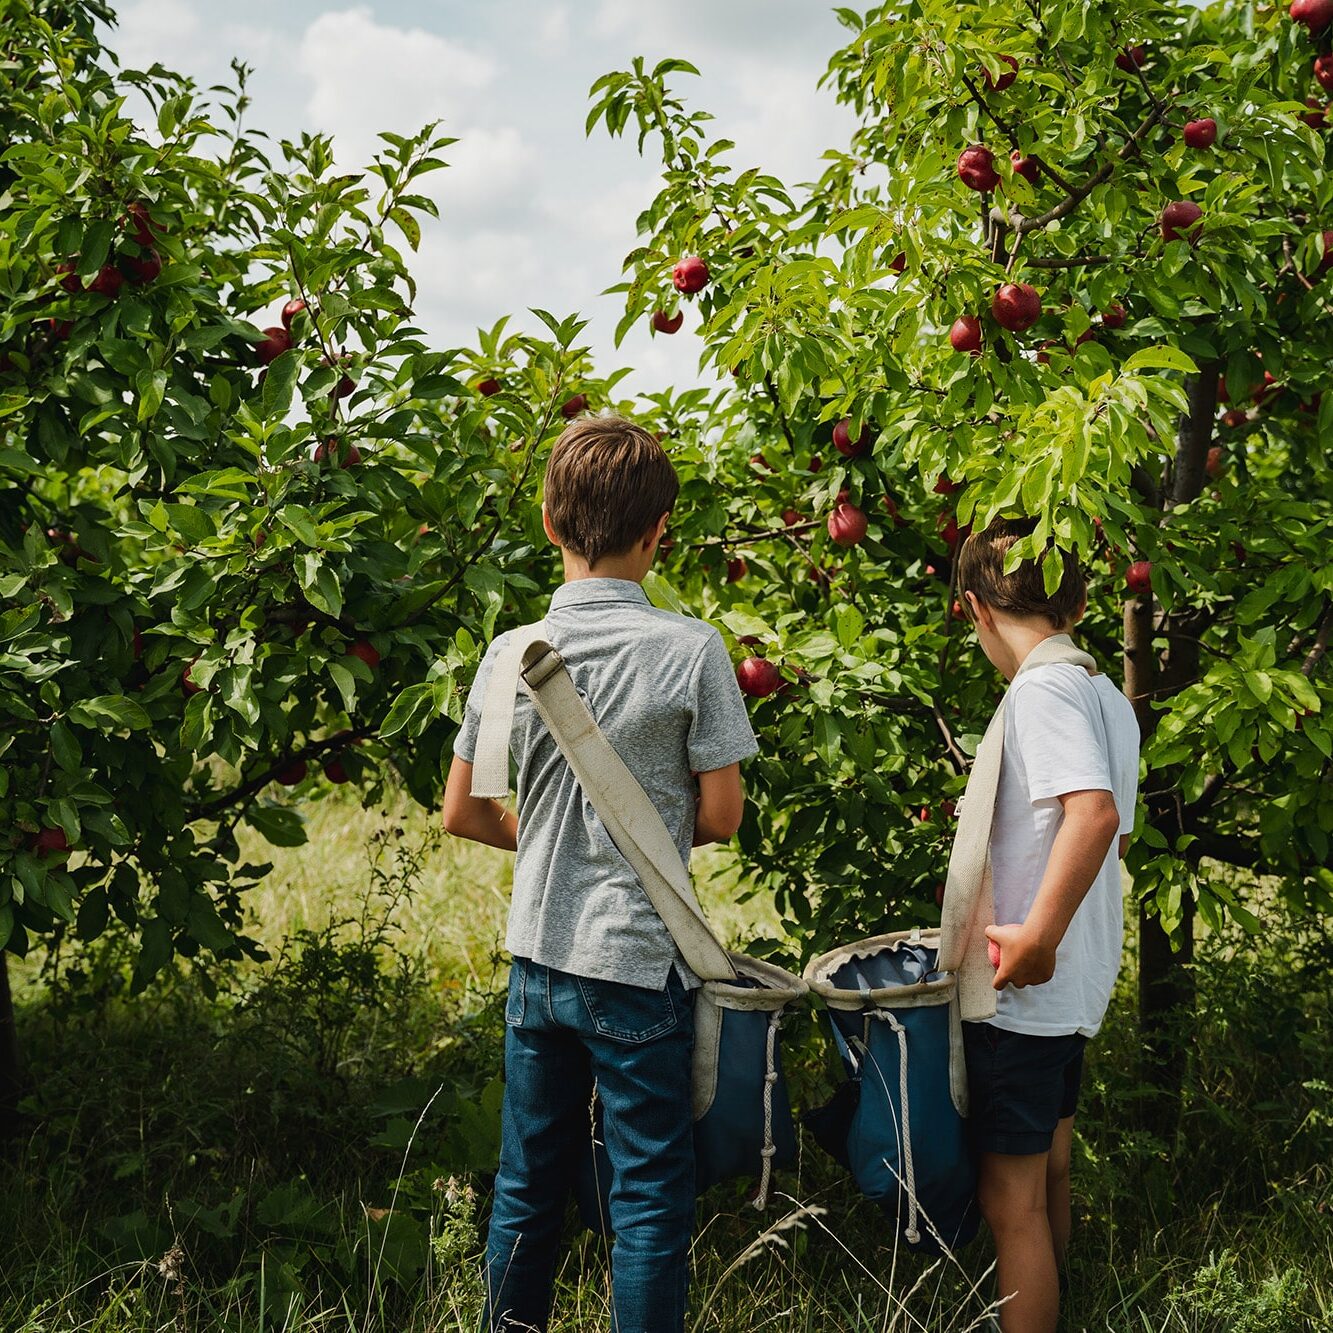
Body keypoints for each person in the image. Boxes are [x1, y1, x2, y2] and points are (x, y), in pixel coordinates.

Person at [442, 414, 758, 1333]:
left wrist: (547, 837)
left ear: (547, 522)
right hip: (635, 963)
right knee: (649, 1195)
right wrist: (639, 843)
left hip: (538, 959)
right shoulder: (692, 649)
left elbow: (462, 810)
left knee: (526, 1187)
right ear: (660, 530)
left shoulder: (511, 653)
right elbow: (723, 816)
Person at [954, 518, 1141, 1333]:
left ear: (975, 611)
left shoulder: (1041, 689)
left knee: (1009, 1201)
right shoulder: (1105, 693)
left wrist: (1035, 935)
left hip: (1024, 992)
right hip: (1070, 991)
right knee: (1048, 1172)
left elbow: (1093, 817)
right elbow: (1114, 828)